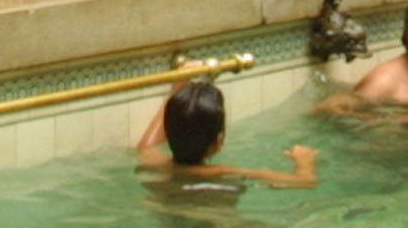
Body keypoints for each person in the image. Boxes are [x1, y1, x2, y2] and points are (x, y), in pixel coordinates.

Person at [134, 78, 318, 189]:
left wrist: (177, 90)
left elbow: (146, 145)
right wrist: (304, 160)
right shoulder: (222, 174)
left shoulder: (157, 165)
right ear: (218, 141)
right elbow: (304, 182)